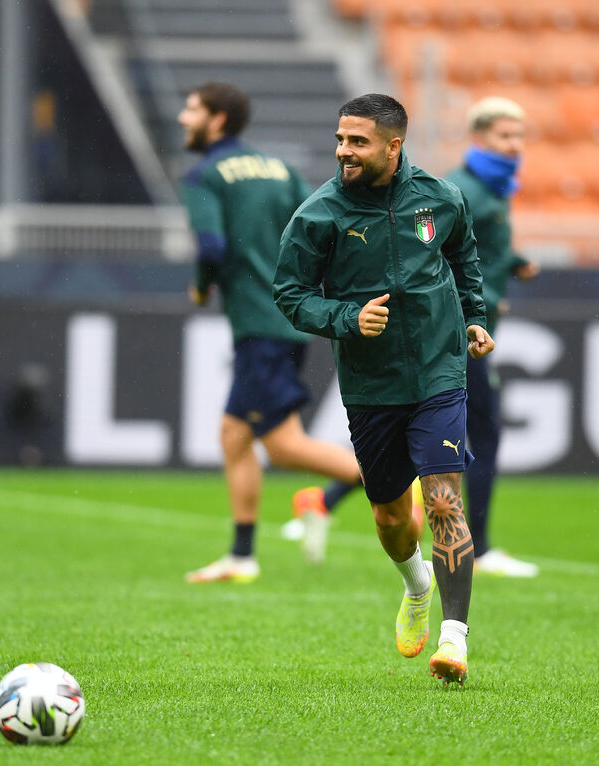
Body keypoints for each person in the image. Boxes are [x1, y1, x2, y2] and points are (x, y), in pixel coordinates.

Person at [274, 93, 494, 685]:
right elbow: (290, 294)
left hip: (439, 371)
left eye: (358, 142)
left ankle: (455, 639)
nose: (344, 151)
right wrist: (349, 319)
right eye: (341, 139)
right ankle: (416, 584)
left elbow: (464, 257)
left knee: (444, 498)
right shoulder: (318, 215)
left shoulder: (440, 199)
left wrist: (474, 316)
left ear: (393, 146)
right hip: (371, 385)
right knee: (392, 518)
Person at [177, 82, 362, 582]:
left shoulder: (202, 176)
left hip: (260, 325)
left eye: (191, 109)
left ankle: (384, 474)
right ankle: (241, 556)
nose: (181, 118)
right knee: (238, 436)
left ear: (217, 120)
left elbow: (212, 249)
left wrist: (200, 289)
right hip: (291, 318)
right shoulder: (280, 169)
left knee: (281, 446)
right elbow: (323, 227)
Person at [444, 96, 540, 578]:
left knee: (420, 435)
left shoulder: (492, 190)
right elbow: (430, 245)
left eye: (519, 136)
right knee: (481, 433)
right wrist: (474, 300)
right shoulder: (458, 189)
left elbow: (474, 248)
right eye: (505, 136)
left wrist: (512, 264)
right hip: (461, 334)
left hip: (474, 331)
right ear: (479, 137)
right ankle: (478, 549)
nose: (514, 145)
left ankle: (323, 501)